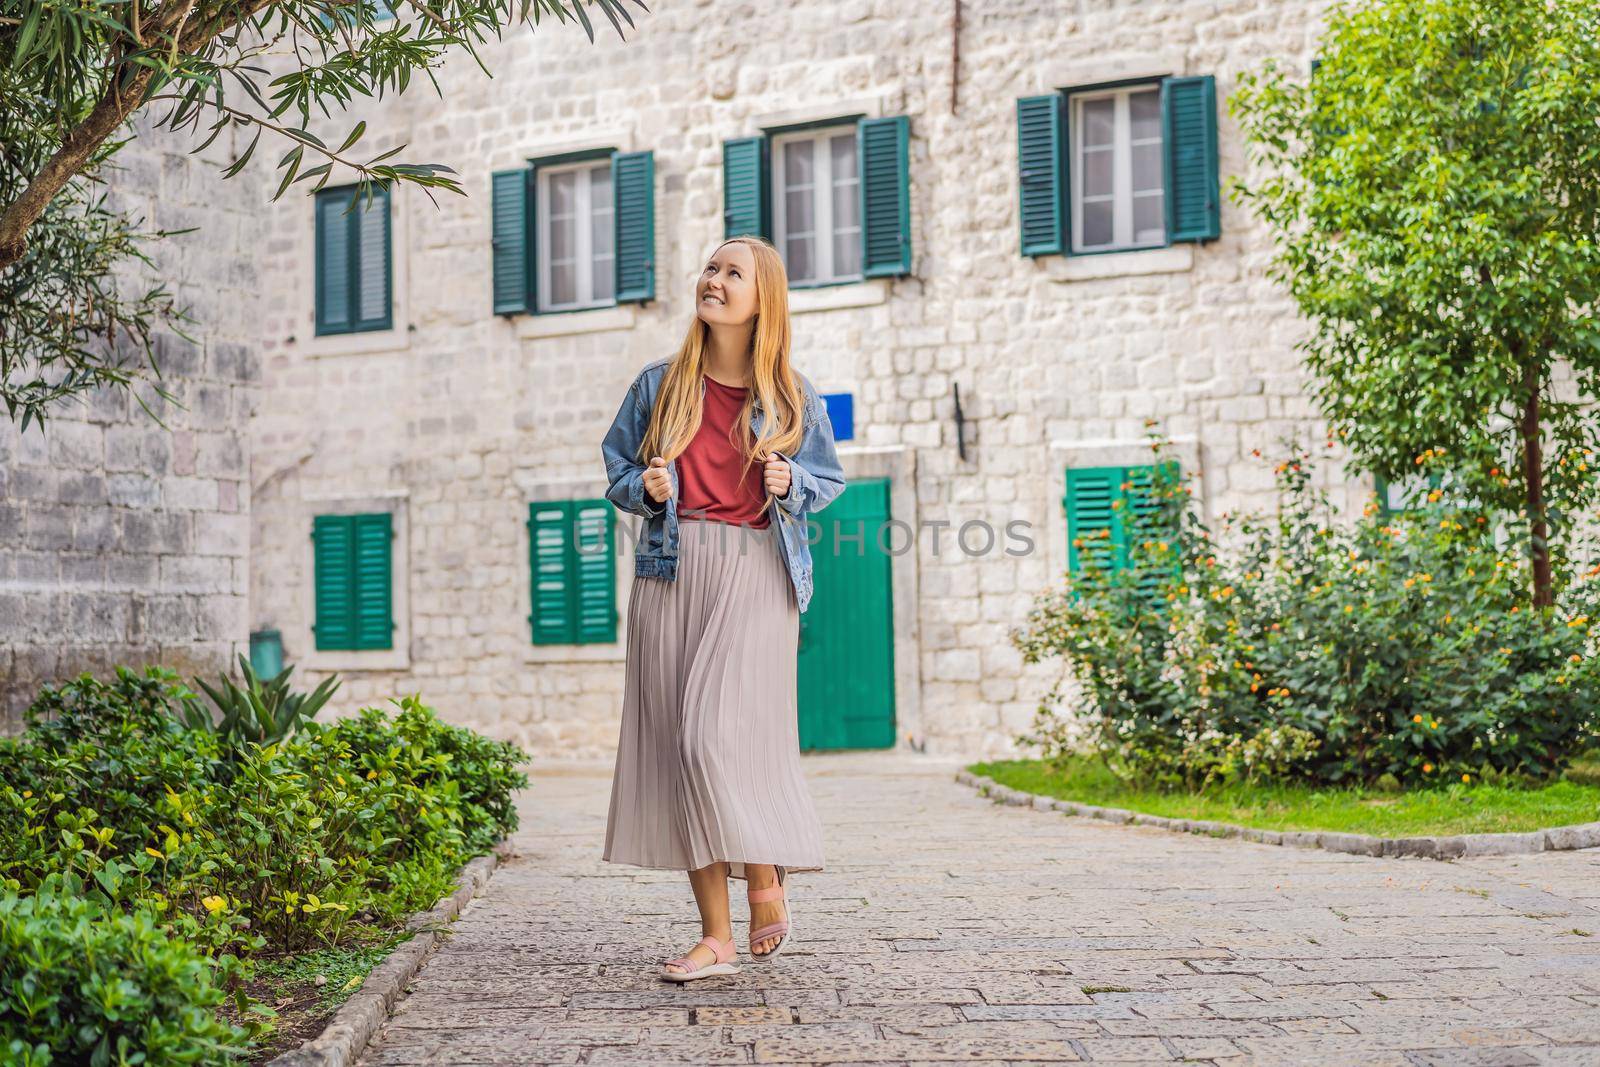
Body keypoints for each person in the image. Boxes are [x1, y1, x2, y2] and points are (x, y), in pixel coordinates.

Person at [598, 235, 847, 981]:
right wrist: (644, 486)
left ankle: (765, 871)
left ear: (760, 297)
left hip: (757, 571)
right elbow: (615, 468)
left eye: (731, 272)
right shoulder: (658, 384)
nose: (714, 279)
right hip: (670, 573)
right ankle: (716, 934)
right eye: (710, 267)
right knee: (682, 752)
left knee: (717, 738)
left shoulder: (793, 393)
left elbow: (827, 479)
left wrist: (788, 482)